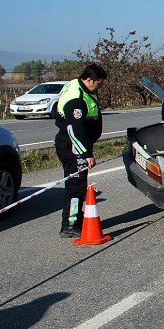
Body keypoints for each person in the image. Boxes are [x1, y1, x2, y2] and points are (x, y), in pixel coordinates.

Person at [54, 64, 107, 238]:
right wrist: (86, 153)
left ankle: (77, 219)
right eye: (98, 83)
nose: (99, 87)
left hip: (78, 144)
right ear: (89, 79)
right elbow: (74, 130)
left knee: (79, 185)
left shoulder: (82, 87)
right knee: (75, 187)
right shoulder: (76, 97)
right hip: (72, 146)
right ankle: (70, 225)